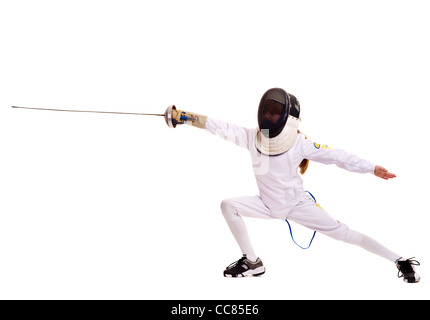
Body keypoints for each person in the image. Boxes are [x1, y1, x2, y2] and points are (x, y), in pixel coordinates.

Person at [171, 88, 420, 283]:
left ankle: (400, 261)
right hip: (267, 205)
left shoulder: (299, 143)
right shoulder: (250, 136)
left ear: (288, 118)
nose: (268, 116)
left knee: (344, 233)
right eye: (267, 111)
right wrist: (183, 116)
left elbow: (337, 156)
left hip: (296, 205)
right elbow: (218, 126)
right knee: (228, 206)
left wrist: (370, 167)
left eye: (274, 112)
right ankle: (253, 262)